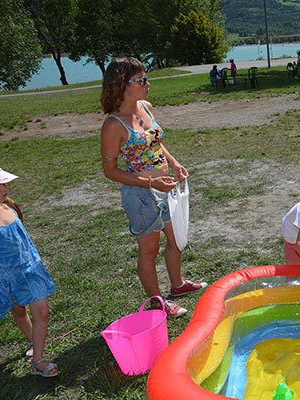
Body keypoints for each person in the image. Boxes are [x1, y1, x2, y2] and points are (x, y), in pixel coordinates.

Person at [100, 57, 207, 318]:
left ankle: (178, 285)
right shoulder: (114, 124)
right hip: (140, 195)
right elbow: (110, 171)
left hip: (165, 187)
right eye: (141, 80)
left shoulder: (145, 107)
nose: (148, 84)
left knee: (176, 238)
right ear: (123, 85)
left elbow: (156, 143)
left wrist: (174, 163)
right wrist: (150, 181)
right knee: (149, 249)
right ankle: (158, 301)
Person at [0, 164, 58, 377]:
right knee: (19, 311)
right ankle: (33, 340)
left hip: (29, 268)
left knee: (42, 311)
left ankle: (38, 360)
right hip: (3, 277)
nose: (5, 188)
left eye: (4, 183)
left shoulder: (9, 207)